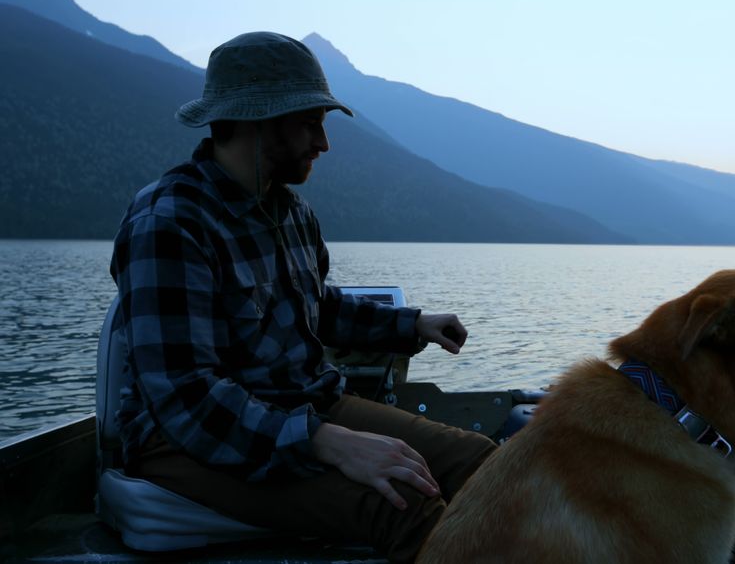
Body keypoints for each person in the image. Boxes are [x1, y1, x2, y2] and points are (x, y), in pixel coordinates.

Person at [109, 32, 495, 562]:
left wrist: (412, 324)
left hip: (305, 408)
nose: (324, 143)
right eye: (311, 122)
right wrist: (328, 441)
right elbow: (187, 397)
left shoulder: (290, 212)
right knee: (404, 502)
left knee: (486, 464)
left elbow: (321, 309)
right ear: (257, 120)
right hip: (185, 442)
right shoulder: (169, 223)